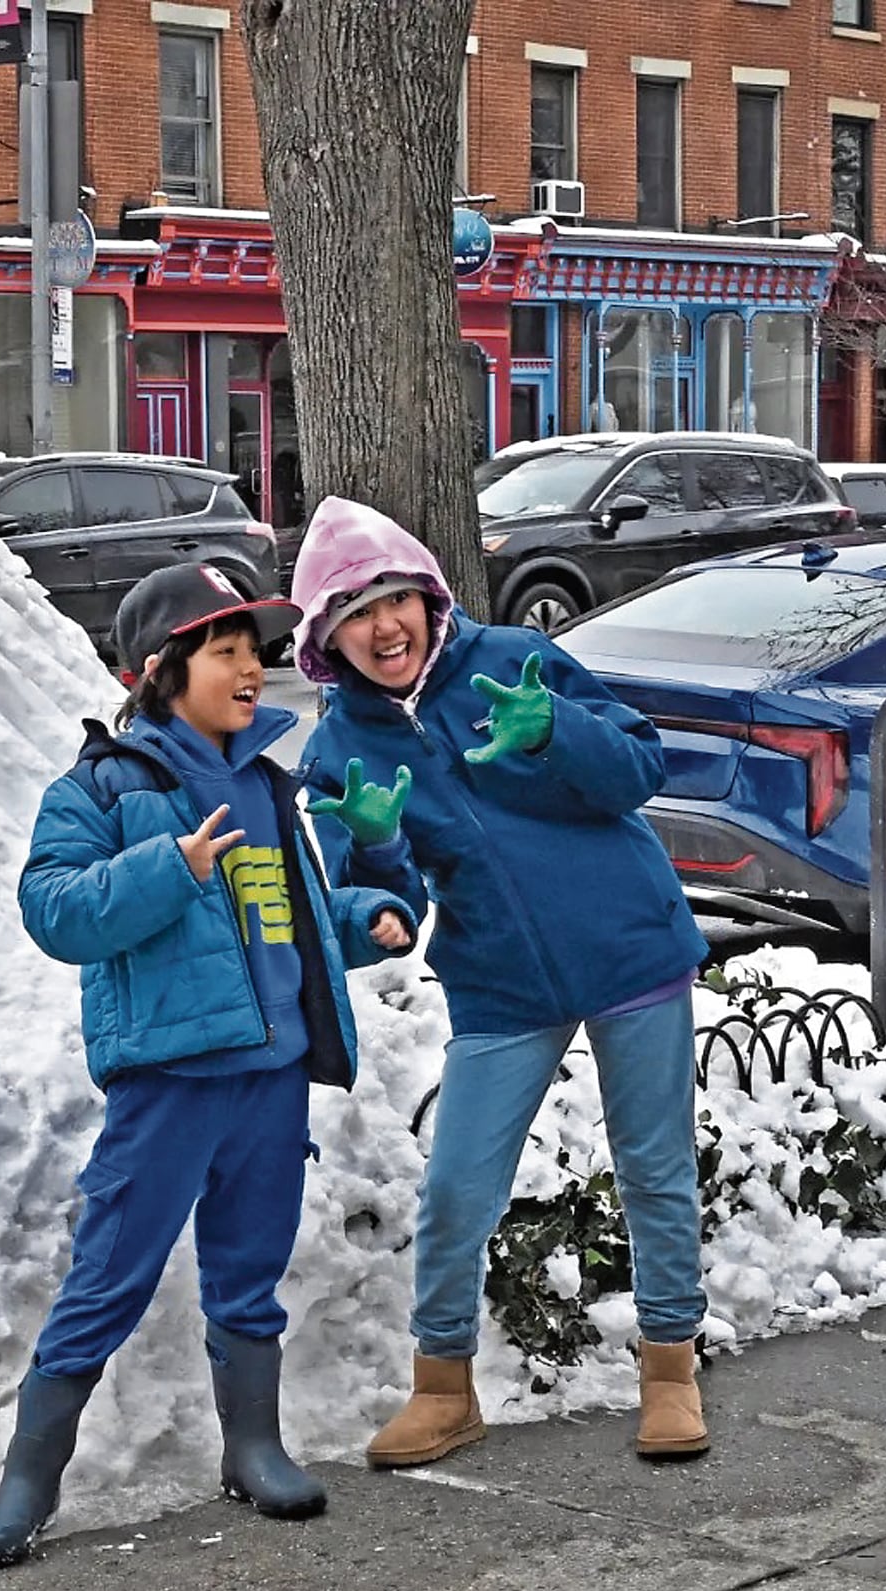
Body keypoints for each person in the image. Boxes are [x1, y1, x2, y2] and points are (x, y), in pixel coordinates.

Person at [0, 561, 419, 1567]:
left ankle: (250, 1445)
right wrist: (169, 866)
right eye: (224, 650)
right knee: (109, 1276)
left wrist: (358, 918)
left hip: (269, 1076)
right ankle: (26, 1481)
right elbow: (56, 911)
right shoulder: (103, 787)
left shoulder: (265, 785)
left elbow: (280, 919)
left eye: (255, 651)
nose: (250, 668)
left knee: (248, 1272)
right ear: (161, 668)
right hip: (169, 1084)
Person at [285, 496, 712, 1468]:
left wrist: (551, 728)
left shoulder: (510, 660)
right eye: (354, 609)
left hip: (627, 943)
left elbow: (636, 766)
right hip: (498, 982)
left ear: (426, 596)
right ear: (323, 637)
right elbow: (367, 918)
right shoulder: (340, 752)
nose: (383, 624)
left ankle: (668, 1369)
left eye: (394, 596)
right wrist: (374, 851)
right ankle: (442, 1389)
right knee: (454, 1189)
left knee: (651, 1169)